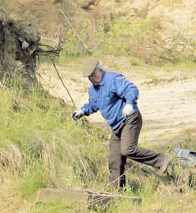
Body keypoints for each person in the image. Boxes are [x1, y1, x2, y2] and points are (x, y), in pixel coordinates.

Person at [71, 59, 170, 188]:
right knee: (114, 159)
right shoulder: (93, 89)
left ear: (100, 70)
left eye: (93, 76)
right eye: (89, 77)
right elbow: (93, 104)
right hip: (117, 127)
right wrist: (83, 111)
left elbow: (131, 89)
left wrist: (129, 104)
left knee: (127, 149)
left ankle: (162, 159)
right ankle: (117, 191)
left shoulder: (113, 79)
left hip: (130, 119)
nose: (91, 79)